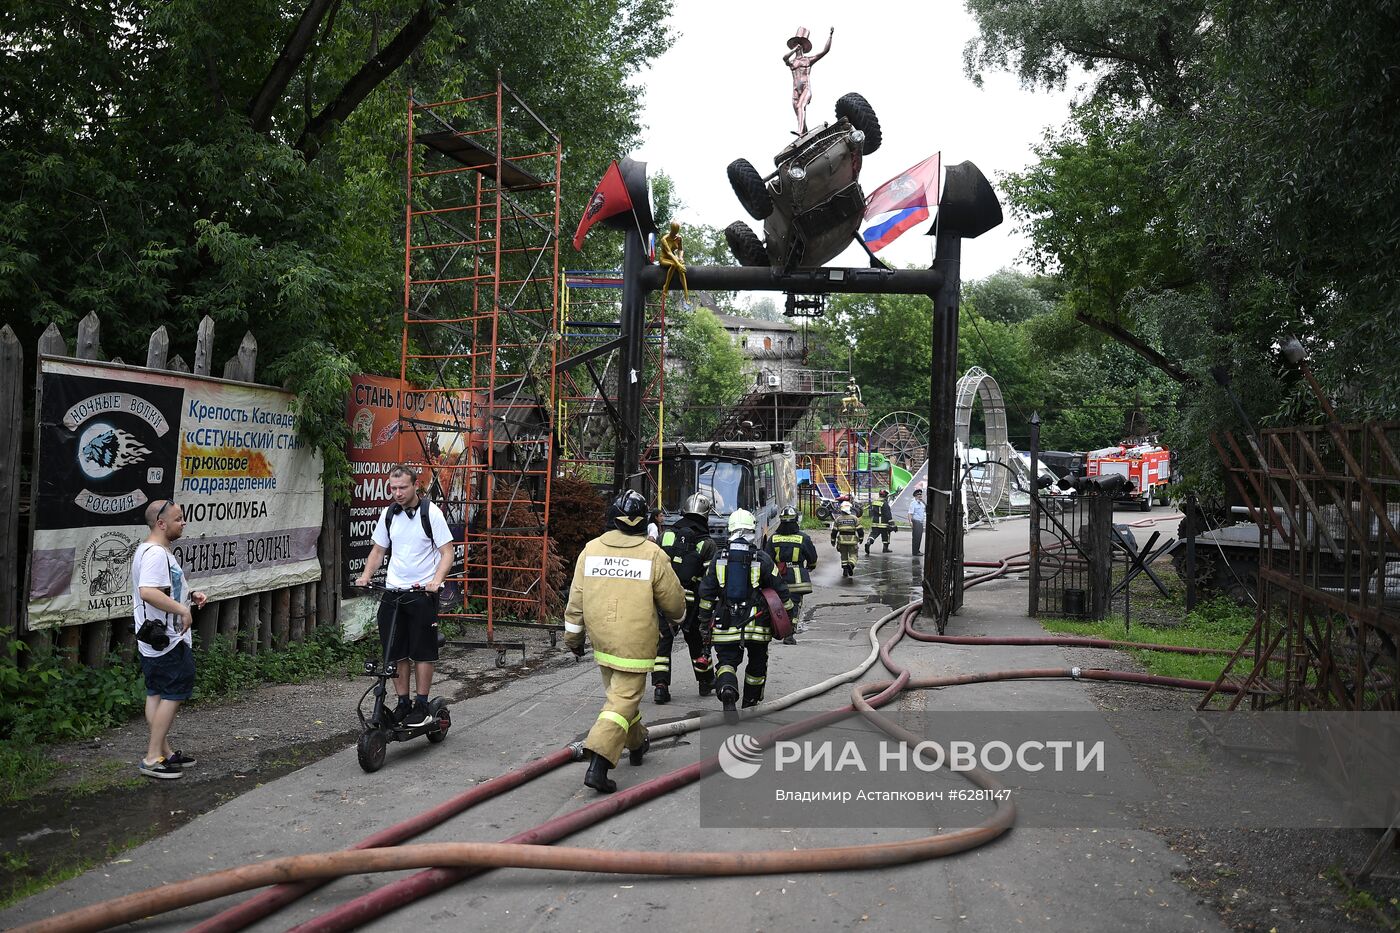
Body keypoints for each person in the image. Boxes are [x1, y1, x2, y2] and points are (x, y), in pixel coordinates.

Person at [564, 490, 686, 793]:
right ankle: (599, 763)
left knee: (620, 698)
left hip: (602, 641)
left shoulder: (590, 550)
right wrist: (680, 617)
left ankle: (637, 742)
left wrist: (574, 638)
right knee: (622, 701)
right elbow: (674, 603)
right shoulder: (652, 554)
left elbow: (576, 599)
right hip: (634, 643)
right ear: (643, 522)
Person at [355, 464, 454, 730]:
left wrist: (436, 581)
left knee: (422, 652)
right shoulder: (388, 514)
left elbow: (447, 552)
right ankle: (403, 703)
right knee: (394, 652)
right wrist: (366, 576)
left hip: (422, 594)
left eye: (402, 487)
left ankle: (421, 705)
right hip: (393, 592)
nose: (397, 493)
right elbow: (378, 550)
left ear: (415, 486)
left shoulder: (430, 513)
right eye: (393, 488)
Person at [132, 499, 208, 779]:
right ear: (161, 524)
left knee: (156, 693)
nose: (183, 523)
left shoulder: (149, 550)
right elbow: (148, 592)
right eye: (178, 519)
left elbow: (164, 589)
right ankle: (152, 757)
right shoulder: (155, 554)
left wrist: (189, 596)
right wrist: (181, 610)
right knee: (174, 691)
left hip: (152, 637)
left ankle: (163, 752)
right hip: (167, 638)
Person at [696, 509, 792, 718]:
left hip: (725, 624)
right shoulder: (763, 558)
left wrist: (704, 622)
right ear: (752, 529)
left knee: (726, 663)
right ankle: (750, 704)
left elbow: (706, 594)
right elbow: (781, 590)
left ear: (730, 530)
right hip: (757, 625)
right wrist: (789, 619)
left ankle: (728, 690)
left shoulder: (718, 559)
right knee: (757, 662)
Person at [653, 494, 718, 703]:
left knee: (663, 643)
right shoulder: (708, 544)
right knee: (696, 641)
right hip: (692, 601)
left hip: (665, 598)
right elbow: (709, 580)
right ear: (705, 515)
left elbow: (658, 567)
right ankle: (705, 681)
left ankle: (660, 687)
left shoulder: (667, 535)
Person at [767, 505, 817, 645]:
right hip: (797, 579)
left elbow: (767, 559)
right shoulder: (803, 538)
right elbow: (812, 557)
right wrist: (811, 567)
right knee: (795, 604)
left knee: (778, 604)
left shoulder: (774, 538)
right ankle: (789, 633)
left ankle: (776, 629)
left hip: (779, 577)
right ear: (796, 520)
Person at [783, 26, 834, 135]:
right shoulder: (792, 62)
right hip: (795, 90)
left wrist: (830, 35)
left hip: (806, 88)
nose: (798, 45)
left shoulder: (808, 60)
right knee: (800, 116)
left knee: (800, 107)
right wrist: (793, 50)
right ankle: (803, 134)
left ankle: (800, 131)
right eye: (796, 43)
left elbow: (825, 51)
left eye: (800, 44)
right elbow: (784, 58)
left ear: (803, 46)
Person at [830, 500, 863, 577]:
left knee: (843, 555)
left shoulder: (838, 519)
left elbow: (834, 532)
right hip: (852, 541)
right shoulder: (854, 518)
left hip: (841, 542)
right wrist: (861, 538)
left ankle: (845, 570)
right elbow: (860, 530)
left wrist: (833, 540)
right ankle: (851, 565)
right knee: (854, 554)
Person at [865, 489, 894, 555]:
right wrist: (892, 524)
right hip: (883, 523)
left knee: (873, 534)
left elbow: (872, 512)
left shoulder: (874, 502)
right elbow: (888, 514)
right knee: (885, 535)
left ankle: (869, 542)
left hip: (875, 522)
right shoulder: (885, 503)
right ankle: (885, 548)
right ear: (886, 495)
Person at [909, 487, 926, 557]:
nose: (920, 496)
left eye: (921, 495)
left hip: (920, 522)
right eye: (918, 495)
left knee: (919, 537)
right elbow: (910, 513)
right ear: (915, 496)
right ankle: (915, 552)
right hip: (916, 521)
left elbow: (927, 508)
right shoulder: (913, 503)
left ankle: (917, 550)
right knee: (916, 537)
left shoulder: (921, 504)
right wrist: (910, 522)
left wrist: (923, 501)